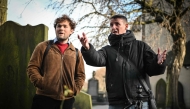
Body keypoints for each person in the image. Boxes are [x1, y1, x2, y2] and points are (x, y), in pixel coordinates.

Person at [78, 14, 167, 109]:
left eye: (117, 24)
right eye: (111, 25)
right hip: (116, 103)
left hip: (140, 101)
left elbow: (152, 70)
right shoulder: (107, 50)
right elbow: (96, 59)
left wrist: (158, 63)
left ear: (126, 26)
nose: (113, 27)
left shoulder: (141, 46)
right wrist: (87, 48)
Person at [27, 14, 85, 109]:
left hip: (67, 100)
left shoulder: (76, 52)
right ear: (55, 29)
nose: (61, 28)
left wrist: (74, 89)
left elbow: (80, 75)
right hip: (44, 98)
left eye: (65, 26)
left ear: (71, 31)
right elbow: (32, 67)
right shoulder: (43, 47)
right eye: (59, 26)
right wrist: (42, 83)